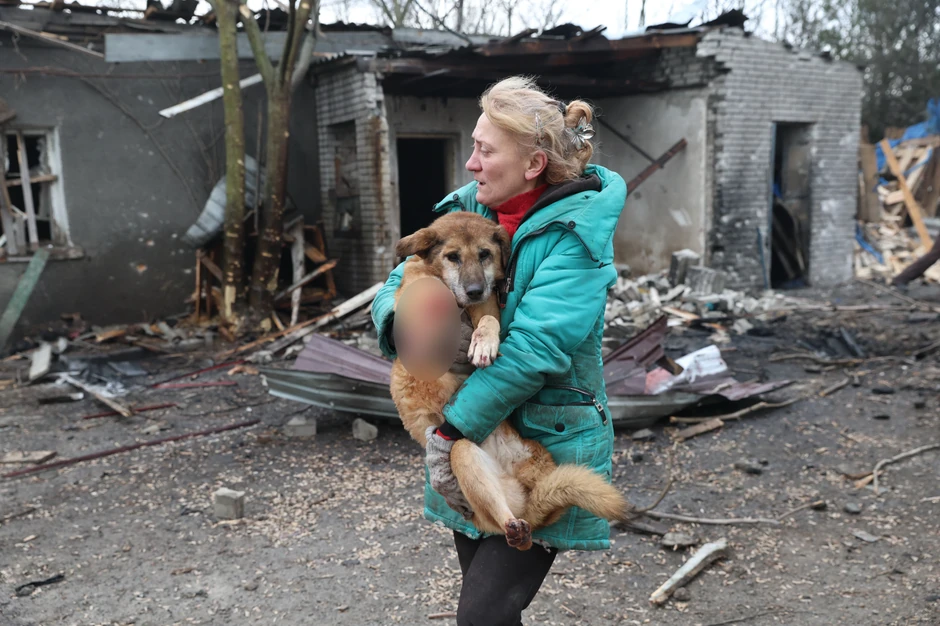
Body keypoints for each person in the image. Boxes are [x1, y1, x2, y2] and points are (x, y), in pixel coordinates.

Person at [371, 75, 628, 626]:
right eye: (472, 146)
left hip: (539, 443)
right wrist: (400, 325)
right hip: (467, 448)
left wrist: (452, 431)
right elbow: (399, 280)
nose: (470, 163)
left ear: (532, 165)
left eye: (485, 150)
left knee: (481, 615)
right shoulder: (468, 208)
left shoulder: (575, 237)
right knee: (488, 611)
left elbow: (535, 351)